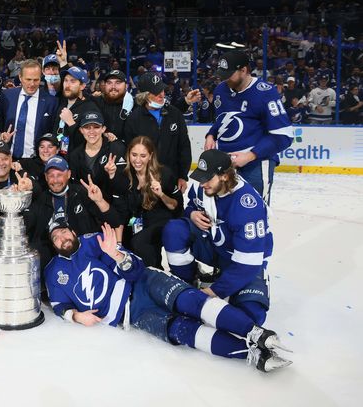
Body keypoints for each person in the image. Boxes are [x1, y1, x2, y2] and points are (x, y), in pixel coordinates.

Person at [44, 221, 292, 372]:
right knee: (181, 331)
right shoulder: (54, 272)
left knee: (190, 300)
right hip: (131, 315)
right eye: (56, 237)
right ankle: (251, 354)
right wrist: (75, 316)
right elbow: (58, 304)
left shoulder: (94, 241)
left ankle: (255, 333)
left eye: (64, 232)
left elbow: (137, 269)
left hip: (144, 283)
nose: (62, 238)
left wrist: (117, 255)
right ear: (52, 244)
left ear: (73, 232)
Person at [162, 150, 274, 327]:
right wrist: (191, 214)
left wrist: (212, 292)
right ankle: (186, 283)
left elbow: (247, 265)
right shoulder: (205, 187)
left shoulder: (247, 206)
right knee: (174, 230)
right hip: (215, 247)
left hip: (245, 264)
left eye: (207, 178)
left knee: (252, 316)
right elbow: (190, 205)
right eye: (200, 177)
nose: (202, 184)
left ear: (224, 176)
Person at [206, 50, 294, 204]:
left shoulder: (265, 93)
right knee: (223, 213)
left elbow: (284, 135)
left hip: (256, 165)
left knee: (254, 213)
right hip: (225, 164)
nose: (225, 80)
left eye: (229, 75)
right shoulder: (221, 89)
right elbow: (223, 120)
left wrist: (250, 155)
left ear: (244, 70)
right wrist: (211, 134)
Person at [24, 156, 121, 272]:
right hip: (53, 259)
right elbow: (28, 225)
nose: (55, 180)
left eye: (59, 174)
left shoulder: (82, 193)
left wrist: (99, 201)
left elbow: (115, 221)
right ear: (45, 177)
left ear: (69, 174)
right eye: (51, 175)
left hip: (86, 252)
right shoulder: (41, 199)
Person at [110, 136, 182, 269]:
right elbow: (121, 210)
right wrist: (119, 243)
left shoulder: (165, 174)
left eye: (143, 155)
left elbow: (176, 206)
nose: (137, 160)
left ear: (150, 156)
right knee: (128, 242)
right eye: (134, 155)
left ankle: (155, 275)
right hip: (138, 223)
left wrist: (161, 194)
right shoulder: (125, 176)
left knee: (139, 242)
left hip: (162, 223)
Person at [125, 72, 197, 194]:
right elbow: (130, 153)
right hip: (144, 180)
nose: (161, 94)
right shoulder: (133, 119)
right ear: (145, 96)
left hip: (173, 179)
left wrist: (183, 176)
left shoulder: (175, 114)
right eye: (156, 92)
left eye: (162, 90)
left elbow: (184, 146)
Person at [0, 59, 58, 159]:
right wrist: (2, 136)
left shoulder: (51, 102)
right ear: (20, 77)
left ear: (41, 78)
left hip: (37, 161)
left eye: (36, 80)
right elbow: (0, 123)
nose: (32, 84)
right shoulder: (7, 96)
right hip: (8, 159)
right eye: (28, 79)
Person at [68, 110, 126, 199]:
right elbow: (74, 186)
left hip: (112, 205)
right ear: (81, 130)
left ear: (103, 129)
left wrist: (113, 175)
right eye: (87, 127)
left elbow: (124, 186)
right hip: (85, 204)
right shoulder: (74, 155)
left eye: (96, 127)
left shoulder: (116, 148)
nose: (92, 131)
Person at [53, 66, 101, 155]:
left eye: (73, 81)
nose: (67, 85)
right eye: (66, 80)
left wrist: (71, 123)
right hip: (57, 156)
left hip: (76, 161)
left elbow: (91, 140)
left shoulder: (90, 108)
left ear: (82, 86)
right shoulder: (61, 102)